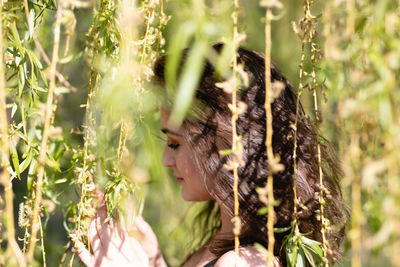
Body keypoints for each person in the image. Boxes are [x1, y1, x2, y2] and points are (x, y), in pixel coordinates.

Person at [74, 44, 348, 266]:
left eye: (175, 144)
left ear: (225, 144)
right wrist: (154, 261)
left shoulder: (244, 263)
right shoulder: (226, 241)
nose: (165, 160)